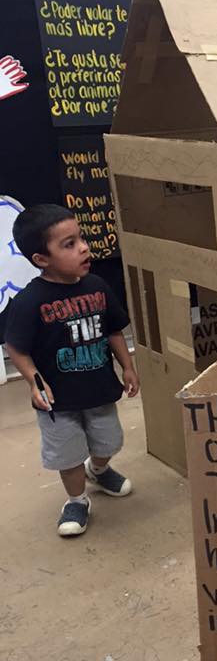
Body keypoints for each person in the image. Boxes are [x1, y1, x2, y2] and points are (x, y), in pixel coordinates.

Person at [5, 204, 139, 538]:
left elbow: (114, 331)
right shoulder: (29, 301)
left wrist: (128, 367)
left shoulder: (96, 286)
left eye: (80, 238)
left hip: (99, 389)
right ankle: (77, 500)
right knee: (67, 454)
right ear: (41, 259)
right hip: (58, 402)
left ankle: (99, 469)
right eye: (68, 244)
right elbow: (16, 349)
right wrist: (35, 383)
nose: (83, 247)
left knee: (108, 439)